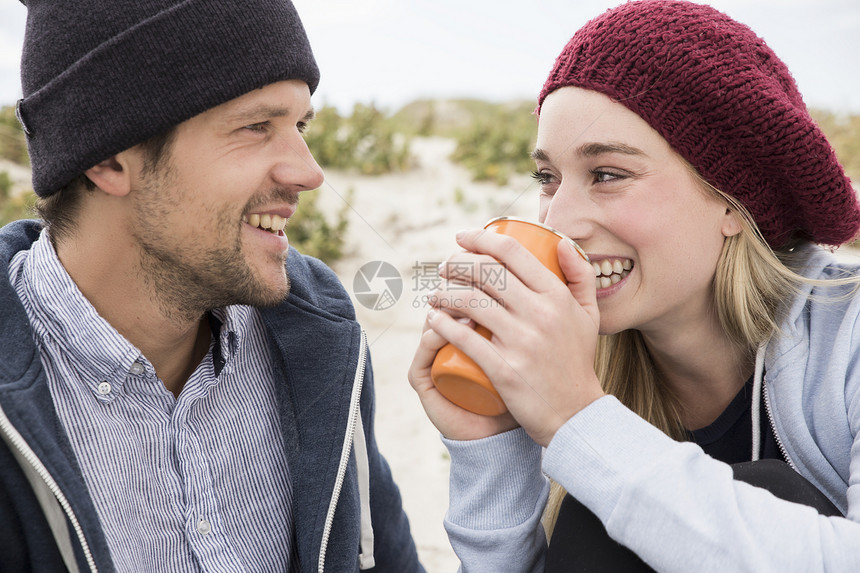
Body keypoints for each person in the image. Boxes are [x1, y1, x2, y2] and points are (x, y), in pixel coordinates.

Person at [408, 1, 860, 571]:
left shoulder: (849, 334)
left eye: (608, 175)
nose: (558, 222)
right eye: (547, 178)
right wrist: (490, 445)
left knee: (771, 490)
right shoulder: (568, 362)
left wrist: (580, 419)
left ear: (732, 199)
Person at [0, 1, 424, 572]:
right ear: (108, 158)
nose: (308, 172)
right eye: (256, 127)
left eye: (299, 126)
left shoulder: (320, 344)